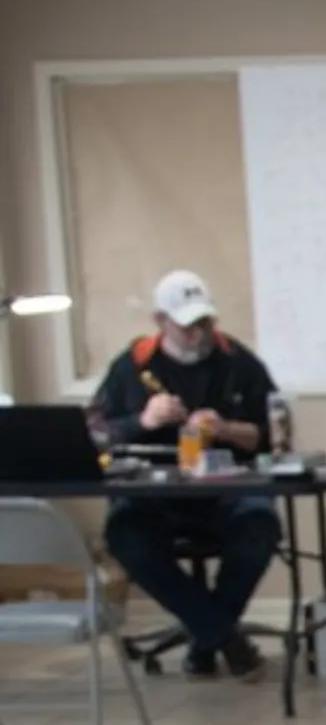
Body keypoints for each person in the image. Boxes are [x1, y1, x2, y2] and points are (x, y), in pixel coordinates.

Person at [87, 270, 281, 678]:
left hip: (226, 490)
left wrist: (225, 428)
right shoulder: (132, 366)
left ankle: (207, 634)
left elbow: (271, 435)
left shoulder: (238, 362)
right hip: (154, 494)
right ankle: (223, 636)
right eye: (188, 326)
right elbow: (97, 433)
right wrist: (143, 419)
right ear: (161, 322)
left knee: (260, 526)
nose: (199, 335)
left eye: (205, 323)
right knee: (125, 537)